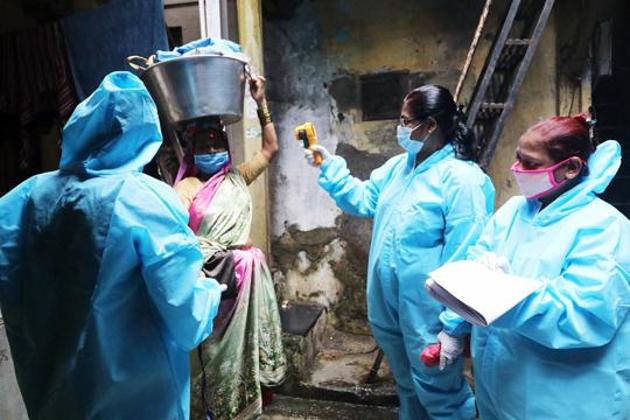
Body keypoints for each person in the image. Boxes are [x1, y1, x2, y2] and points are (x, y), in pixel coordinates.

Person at [0, 72, 225, 420]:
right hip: (136, 404)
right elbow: (187, 317)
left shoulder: (23, 198)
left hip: (52, 401)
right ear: (144, 136)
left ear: (78, 129)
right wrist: (211, 291)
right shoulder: (143, 199)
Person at [305, 85, 495, 419]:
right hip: (389, 307)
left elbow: (466, 260)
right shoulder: (399, 168)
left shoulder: (463, 181)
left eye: (406, 122)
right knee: (407, 386)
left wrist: (453, 328)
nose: (400, 128)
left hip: (428, 315)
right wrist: (329, 168)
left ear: (431, 125)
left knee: (440, 395)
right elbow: (363, 199)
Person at [440, 115, 630, 419]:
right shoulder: (514, 212)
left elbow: (583, 317)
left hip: (567, 398)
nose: (517, 170)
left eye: (530, 164)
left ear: (571, 167)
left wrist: (503, 294)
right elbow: (478, 258)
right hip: (500, 386)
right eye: (518, 158)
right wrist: (454, 325)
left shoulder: (604, 228)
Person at [173, 75, 286, 420]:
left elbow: (270, 149)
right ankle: (215, 411)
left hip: (247, 281)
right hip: (211, 280)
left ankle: (243, 407)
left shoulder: (237, 177)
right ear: (193, 152)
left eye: (217, 146)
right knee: (216, 350)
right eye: (204, 148)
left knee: (244, 350)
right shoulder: (187, 186)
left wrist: (260, 101)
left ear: (226, 149)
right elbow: (178, 235)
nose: (212, 152)